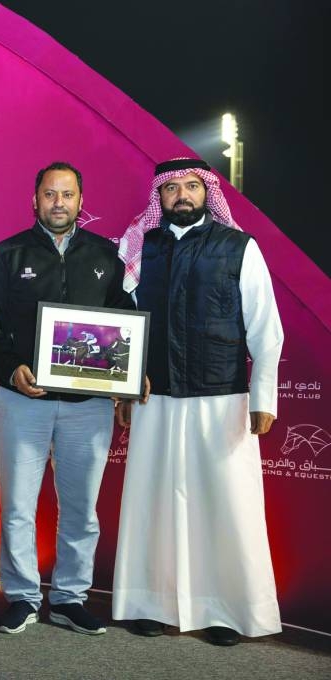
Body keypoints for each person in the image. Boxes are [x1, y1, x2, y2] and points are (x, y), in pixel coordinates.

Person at [113, 158, 284, 646]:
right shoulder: (137, 248)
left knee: (226, 506)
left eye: (192, 186)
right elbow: (125, 323)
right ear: (158, 197)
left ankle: (227, 611)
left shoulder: (238, 248)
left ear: (207, 192)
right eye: (171, 189)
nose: (182, 196)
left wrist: (263, 396)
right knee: (153, 503)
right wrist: (124, 389)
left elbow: (266, 330)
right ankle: (149, 603)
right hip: (155, 398)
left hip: (221, 398)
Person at [0, 161, 132, 636]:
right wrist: (9, 367)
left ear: (81, 201)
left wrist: (128, 379)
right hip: (22, 401)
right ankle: (23, 597)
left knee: (82, 509)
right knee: (19, 507)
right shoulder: (7, 255)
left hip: (89, 407)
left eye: (67, 195)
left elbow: (125, 323)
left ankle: (69, 597)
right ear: (35, 199)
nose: (58, 203)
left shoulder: (107, 256)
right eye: (49, 194)